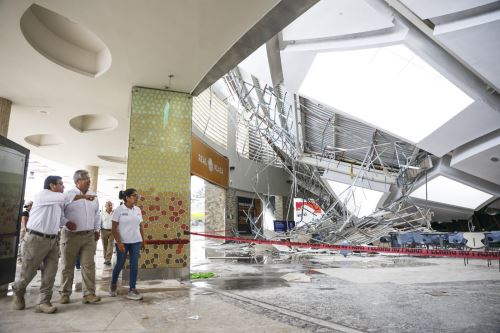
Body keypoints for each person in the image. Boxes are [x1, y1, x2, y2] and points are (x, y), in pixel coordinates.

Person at [12, 176, 69, 313]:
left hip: (53, 240)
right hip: (35, 240)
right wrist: (81, 195)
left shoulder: (57, 201)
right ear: (52, 185)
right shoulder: (42, 195)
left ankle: (43, 302)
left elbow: (60, 217)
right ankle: (18, 291)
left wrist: (67, 222)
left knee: (50, 273)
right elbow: (66, 197)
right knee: (28, 272)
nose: (63, 187)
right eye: (61, 184)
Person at [59, 170, 101, 304]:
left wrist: (97, 229)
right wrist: (66, 222)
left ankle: (89, 293)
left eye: (89, 178)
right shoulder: (68, 195)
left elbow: (97, 214)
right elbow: (59, 213)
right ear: (77, 181)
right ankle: (65, 293)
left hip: (88, 235)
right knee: (67, 266)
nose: (89, 181)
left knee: (88, 265)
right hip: (71, 236)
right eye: (86, 179)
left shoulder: (93, 195)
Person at [109, 188, 145, 300]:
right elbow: (114, 228)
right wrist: (119, 242)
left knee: (134, 266)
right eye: (134, 195)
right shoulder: (119, 210)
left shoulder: (137, 209)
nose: (136, 197)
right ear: (127, 197)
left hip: (136, 242)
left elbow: (140, 226)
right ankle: (113, 285)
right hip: (123, 243)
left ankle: (132, 289)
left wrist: (143, 241)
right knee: (119, 264)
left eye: (137, 195)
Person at [100, 201, 114, 265]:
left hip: (112, 231)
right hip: (103, 231)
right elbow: (99, 222)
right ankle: (106, 258)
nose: (110, 207)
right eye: (109, 205)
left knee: (110, 245)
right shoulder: (102, 214)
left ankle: (108, 259)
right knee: (105, 245)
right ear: (105, 206)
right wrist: (98, 231)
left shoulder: (114, 213)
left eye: (111, 205)